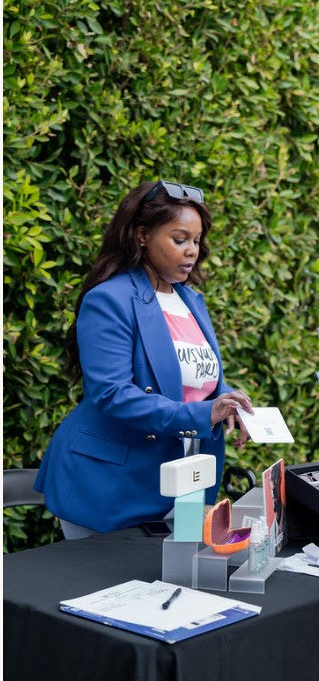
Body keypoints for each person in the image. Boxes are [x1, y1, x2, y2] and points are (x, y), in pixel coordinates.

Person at [35, 180, 253, 538]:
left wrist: (225, 399)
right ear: (142, 236)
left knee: (176, 572)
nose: (192, 251)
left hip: (182, 482)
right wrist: (203, 414)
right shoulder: (109, 299)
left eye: (197, 240)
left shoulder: (190, 300)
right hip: (109, 485)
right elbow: (112, 394)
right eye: (180, 239)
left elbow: (192, 377)